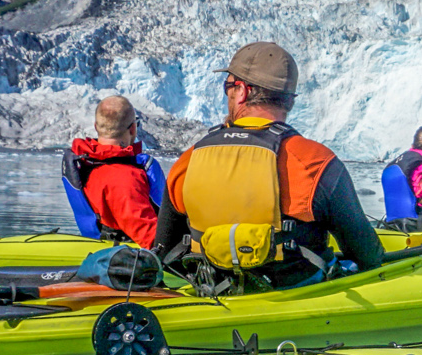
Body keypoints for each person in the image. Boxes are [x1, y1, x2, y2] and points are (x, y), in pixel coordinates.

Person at [151, 42, 385, 290]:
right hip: (300, 297)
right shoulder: (314, 161)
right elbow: (367, 255)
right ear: (289, 101)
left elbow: (165, 256)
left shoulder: (188, 160)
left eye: (228, 87)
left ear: (242, 91)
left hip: (214, 295)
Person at [62, 96, 164, 247]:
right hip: (127, 251)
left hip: (103, 246)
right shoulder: (123, 177)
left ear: (96, 126)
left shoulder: (87, 162)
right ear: (133, 128)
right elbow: (151, 238)